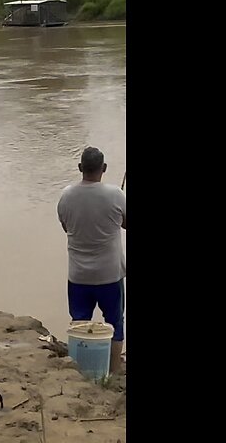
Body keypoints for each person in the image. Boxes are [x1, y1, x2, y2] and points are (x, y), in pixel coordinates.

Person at [57, 146, 127, 373]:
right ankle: (114, 371)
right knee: (115, 323)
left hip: (78, 276)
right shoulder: (116, 194)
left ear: (80, 168)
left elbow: (67, 227)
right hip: (110, 275)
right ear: (104, 168)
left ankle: (80, 368)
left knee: (79, 322)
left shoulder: (66, 195)